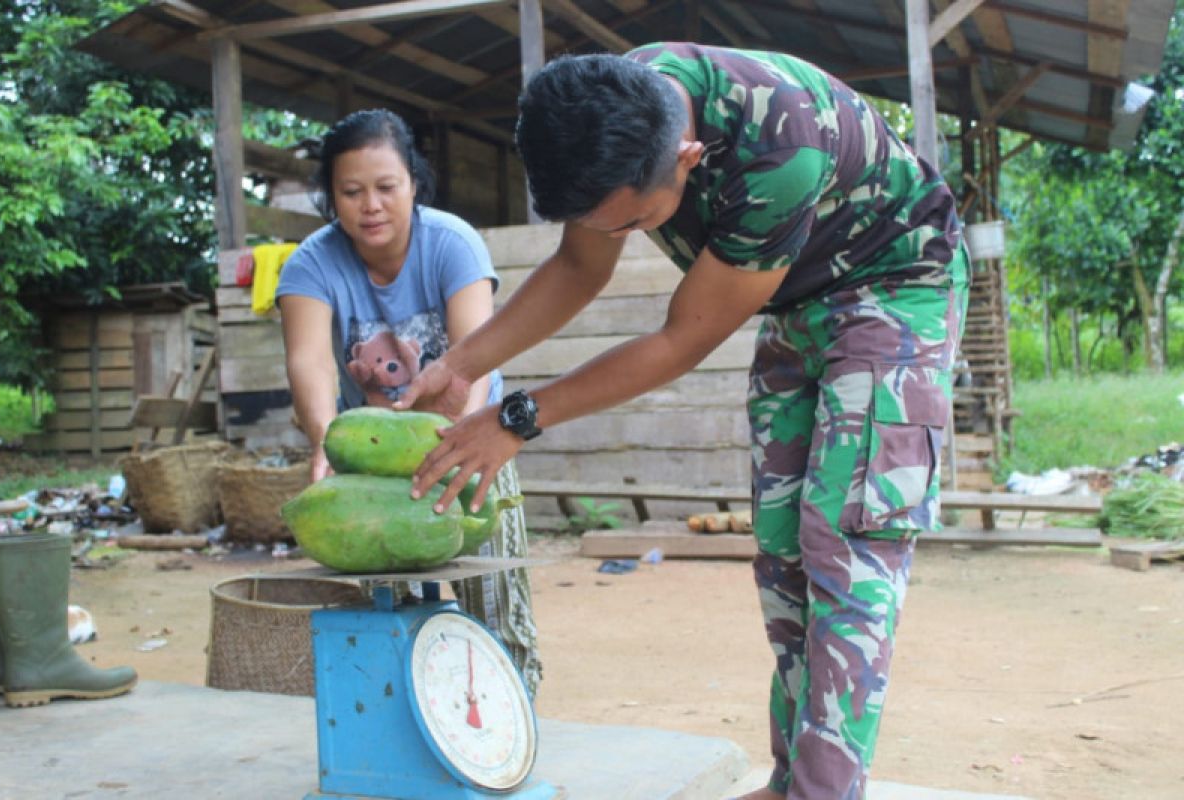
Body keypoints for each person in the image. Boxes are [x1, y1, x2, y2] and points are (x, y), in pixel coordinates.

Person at [398, 44, 970, 799]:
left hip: (895, 286)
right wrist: (459, 365)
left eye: (636, 221)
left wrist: (517, 419)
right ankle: (791, 778)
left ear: (688, 157)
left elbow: (678, 341)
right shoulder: (613, 107)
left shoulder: (779, 150)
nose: (623, 234)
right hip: (792, 299)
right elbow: (578, 268)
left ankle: (824, 793)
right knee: (782, 548)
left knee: (846, 544)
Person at [274, 108, 541, 697]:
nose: (370, 205)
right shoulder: (309, 265)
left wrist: (462, 435)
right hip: (368, 465)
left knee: (494, 611)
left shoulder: (452, 243)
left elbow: (476, 352)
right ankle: (399, 733)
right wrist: (323, 438)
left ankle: (509, 724)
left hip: (471, 440)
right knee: (381, 614)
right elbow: (311, 363)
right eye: (351, 191)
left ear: (414, 184)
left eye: (386, 187)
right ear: (331, 198)